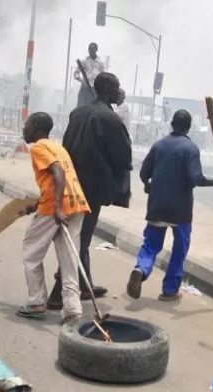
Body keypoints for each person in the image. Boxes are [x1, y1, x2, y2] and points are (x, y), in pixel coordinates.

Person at [126, 110, 213, 301]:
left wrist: (148, 185)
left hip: (157, 205)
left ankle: (141, 269)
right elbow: (197, 179)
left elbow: (143, 173)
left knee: (150, 245)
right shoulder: (190, 148)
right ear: (188, 127)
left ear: (172, 124)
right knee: (179, 249)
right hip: (181, 210)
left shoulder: (158, 145)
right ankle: (169, 290)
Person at [47, 72, 132, 309]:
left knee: (80, 235)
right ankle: (57, 294)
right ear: (107, 90)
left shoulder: (79, 112)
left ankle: (85, 285)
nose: (118, 92)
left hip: (71, 183)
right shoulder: (110, 119)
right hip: (92, 188)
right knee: (81, 239)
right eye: (116, 88)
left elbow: (66, 146)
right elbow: (123, 157)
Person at [15, 112, 89, 325]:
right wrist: (37, 204)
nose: (24, 128)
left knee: (31, 253)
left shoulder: (39, 148)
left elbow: (58, 173)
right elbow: (54, 180)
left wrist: (56, 207)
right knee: (69, 259)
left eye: (27, 125)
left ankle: (37, 302)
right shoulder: (59, 147)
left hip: (56, 208)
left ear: (37, 128)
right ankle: (73, 310)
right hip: (77, 204)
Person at [74, 42, 105, 107]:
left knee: (94, 107)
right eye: (90, 49)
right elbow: (76, 73)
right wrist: (82, 81)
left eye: (93, 49)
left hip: (95, 89)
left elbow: (103, 76)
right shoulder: (84, 61)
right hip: (85, 88)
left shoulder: (100, 63)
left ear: (96, 50)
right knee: (81, 106)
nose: (91, 51)